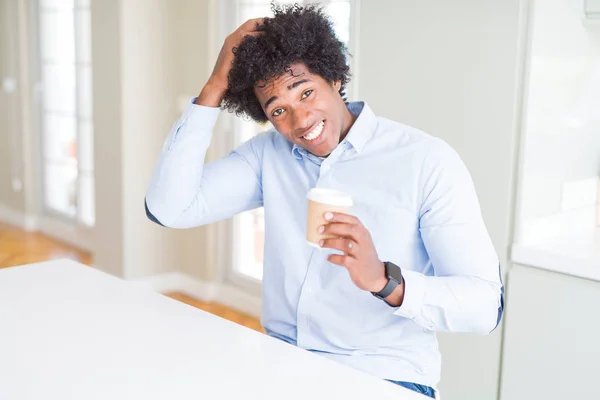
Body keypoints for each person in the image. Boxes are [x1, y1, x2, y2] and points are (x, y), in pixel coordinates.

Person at [145, 4, 503, 398]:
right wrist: (215, 86)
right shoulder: (268, 155)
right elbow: (169, 207)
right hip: (280, 365)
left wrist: (386, 282)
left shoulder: (425, 160)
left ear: (333, 76)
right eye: (278, 109)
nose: (300, 120)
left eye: (307, 92)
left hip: (381, 373)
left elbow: (484, 306)